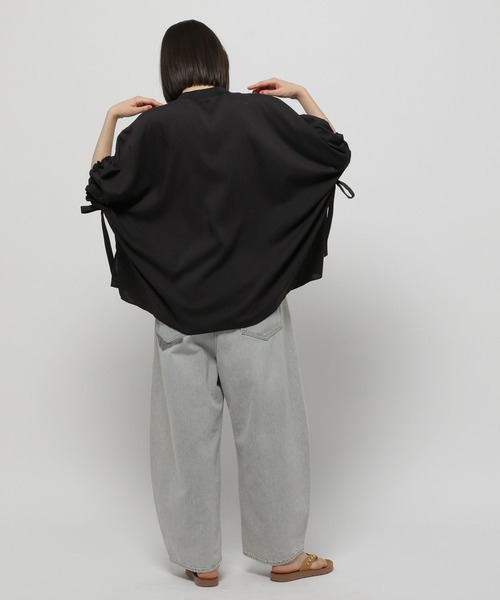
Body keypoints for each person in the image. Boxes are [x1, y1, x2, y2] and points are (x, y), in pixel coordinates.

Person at [81, 19, 353, 587]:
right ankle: (284, 556)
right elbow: (333, 154)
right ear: (218, 63)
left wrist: (111, 118)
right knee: (271, 437)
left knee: (184, 445)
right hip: (255, 310)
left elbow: (101, 188)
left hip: (177, 315)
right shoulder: (262, 114)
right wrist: (302, 96)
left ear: (171, 69)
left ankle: (199, 563)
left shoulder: (149, 130)